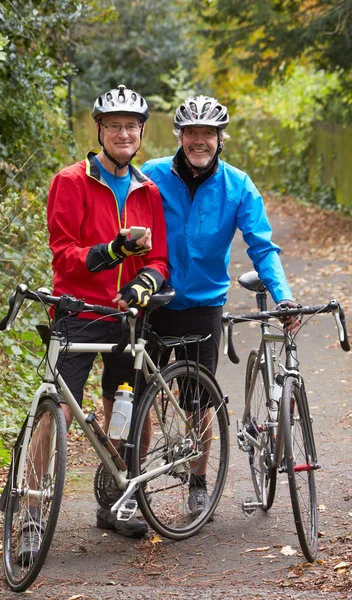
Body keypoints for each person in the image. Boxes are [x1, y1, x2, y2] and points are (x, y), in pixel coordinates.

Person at [141, 94, 300, 518]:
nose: (199, 140)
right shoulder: (151, 176)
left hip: (202, 305)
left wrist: (283, 294)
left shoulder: (238, 186)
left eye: (207, 133)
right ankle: (130, 486)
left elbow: (262, 248)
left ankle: (197, 482)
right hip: (153, 300)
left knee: (199, 400)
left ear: (219, 138)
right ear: (180, 135)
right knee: (138, 397)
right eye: (191, 132)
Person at [46, 85, 168, 542]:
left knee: (130, 405)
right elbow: (63, 254)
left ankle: (121, 496)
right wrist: (113, 250)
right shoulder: (71, 181)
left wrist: (143, 283)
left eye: (131, 126)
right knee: (54, 407)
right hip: (79, 312)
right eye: (114, 125)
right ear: (99, 130)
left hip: (127, 317)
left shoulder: (148, 190)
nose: (123, 133)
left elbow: (160, 260)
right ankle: (31, 499)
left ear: (141, 133)